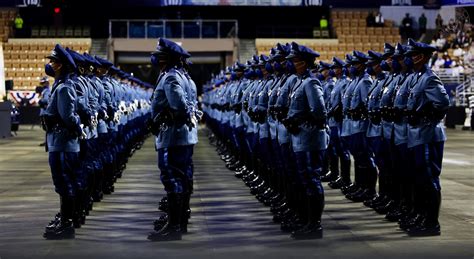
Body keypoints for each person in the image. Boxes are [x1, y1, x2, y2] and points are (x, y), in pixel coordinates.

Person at [148, 38, 195, 241]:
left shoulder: (170, 78)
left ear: (165, 59)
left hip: (172, 136)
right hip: (184, 136)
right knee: (183, 178)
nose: (156, 59)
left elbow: (180, 107)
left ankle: (174, 226)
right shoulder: (186, 77)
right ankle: (180, 222)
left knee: (172, 177)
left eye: (159, 56)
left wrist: (164, 117)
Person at [403, 39, 449, 236]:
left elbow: (443, 103)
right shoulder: (417, 77)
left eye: (412, 55)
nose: (409, 58)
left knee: (429, 178)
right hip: (417, 134)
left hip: (428, 134)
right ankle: (422, 217)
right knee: (419, 178)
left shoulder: (429, 78)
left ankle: (431, 223)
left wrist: (425, 115)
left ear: (421, 56)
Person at [282, 42, 328, 239]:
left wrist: (299, 120)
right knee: (304, 180)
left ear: (302, 63)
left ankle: (315, 225)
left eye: (293, 61)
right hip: (300, 137)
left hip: (310, 138)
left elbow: (319, 112)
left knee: (311, 179)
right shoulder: (299, 82)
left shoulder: (310, 82)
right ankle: (306, 220)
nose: (290, 64)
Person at [42, 44, 85, 239]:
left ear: (60, 65)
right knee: (62, 182)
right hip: (59, 141)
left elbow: (68, 116)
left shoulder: (65, 88)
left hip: (63, 142)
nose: (50, 64)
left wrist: (75, 125)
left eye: (53, 61)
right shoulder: (60, 85)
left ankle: (67, 224)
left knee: (65, 181)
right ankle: (67, 218)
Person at [38, 76, 51, 147]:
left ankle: (48, 142)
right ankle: (47, 141)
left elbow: (46, 100)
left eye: (43, 83)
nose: (42, 84)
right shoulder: (45, 90)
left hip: (45, 111)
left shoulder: (47, 91)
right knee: (46, 128)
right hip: (43, 111)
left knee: (46, 128)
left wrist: (40, 101)